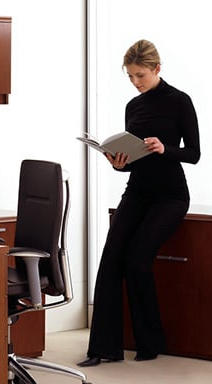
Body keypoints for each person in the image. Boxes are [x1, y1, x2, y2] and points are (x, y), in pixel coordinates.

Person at [78, 39, 200, 366]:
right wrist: (119, 163)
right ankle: (103, 349)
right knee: (110, 258)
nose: (136, 82)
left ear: (157, 69)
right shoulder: (134, 106)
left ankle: (150, 341)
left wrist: (165, 148)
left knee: (136, 260)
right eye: (131, 76)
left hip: (170, 195)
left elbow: (194, 154)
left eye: (140, 75)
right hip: (137, 190)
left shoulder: (180, 102)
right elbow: (132, 159)